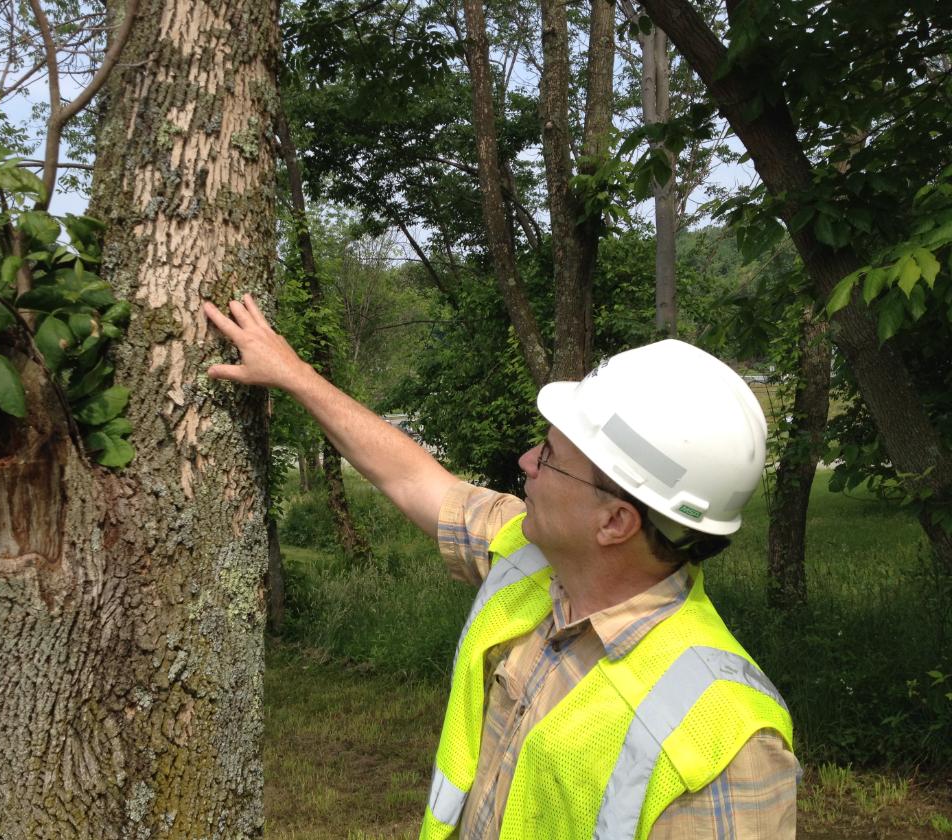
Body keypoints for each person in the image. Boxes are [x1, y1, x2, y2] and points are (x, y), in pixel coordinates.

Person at [203, 294, 799, 840]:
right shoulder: (531, 555)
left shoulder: (726, 744)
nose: (525, 462)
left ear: (615, 522)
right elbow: (415, 479)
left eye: (550, 457)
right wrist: (293, 375)